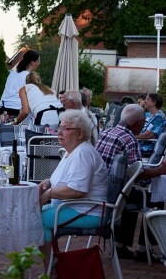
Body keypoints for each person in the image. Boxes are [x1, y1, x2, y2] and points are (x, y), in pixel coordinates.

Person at [37, 109, 109, 268]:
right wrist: (48, 182)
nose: (60, 132)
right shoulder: (73, 151)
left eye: (66, 129)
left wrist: (48, 193)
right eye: (60, 128)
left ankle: (51, 268)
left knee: (38, 220)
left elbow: (77, 191)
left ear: (80, 134)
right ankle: (53, 264)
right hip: (78, 207)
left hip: (90, 212)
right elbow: (69, 178)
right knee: (34, 213)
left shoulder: (82, 153)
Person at [96, 104, 166, 261]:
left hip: (100, 189)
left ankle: (121, 245)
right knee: (154, 198)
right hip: (112, 196)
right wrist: (160, 171)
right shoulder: (129, 139)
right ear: (139, 125)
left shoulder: (107, 132)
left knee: (132, 191)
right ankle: (142, 249)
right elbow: (138, 174)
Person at [0, 49, 40, 117]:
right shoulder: (29, 76)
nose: (38, 64)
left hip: (2, 108)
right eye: (38, 61)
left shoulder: (12, 73)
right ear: (32, 62)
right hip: (17, 110)